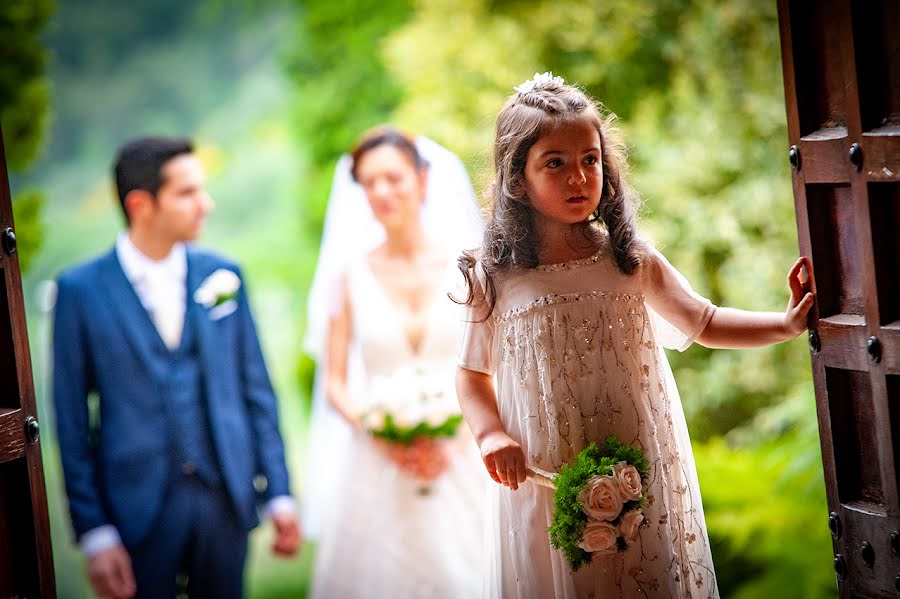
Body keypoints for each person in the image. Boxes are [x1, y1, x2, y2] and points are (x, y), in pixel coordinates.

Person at [455, 73, 816, 598]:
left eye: (590, 159)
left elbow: (705, 322)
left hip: (639, 459)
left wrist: (784, 324)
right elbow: (469, 375)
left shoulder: (630, 260)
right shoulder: (494, 276)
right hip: (547, 472)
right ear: (517, 178)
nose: (579, 176)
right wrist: (491, 435)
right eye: (554, 162)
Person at [52, 136, 301, 599]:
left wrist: (280, 492)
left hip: (224, 496)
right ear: (141, 204)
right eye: (187, 193)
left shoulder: (223, 275)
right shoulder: (80, 292)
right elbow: (69, 422)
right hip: (134, 507)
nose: (205, 204)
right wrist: (95, 532)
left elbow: (257, 391)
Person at [306, 126, 486, 598]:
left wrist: (462, 437)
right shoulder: (347, 274)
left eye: (393, 178)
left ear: (423, 179)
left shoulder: (471, 266)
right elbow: (336, 383)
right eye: (368, 183)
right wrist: (380, 433)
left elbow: (499, 367)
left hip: (464, 454)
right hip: (377, 460)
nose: (381, 192)